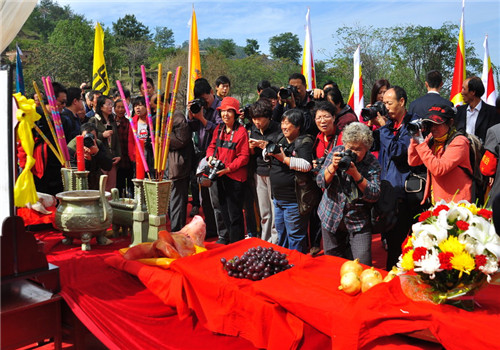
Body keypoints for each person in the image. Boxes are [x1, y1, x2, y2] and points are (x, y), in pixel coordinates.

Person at [317, 122, 381, 265]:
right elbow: (320, 182)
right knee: (332, 262)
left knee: (362, 264)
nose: (352, 153)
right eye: (349, 148)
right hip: (331, 215)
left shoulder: (372, 163)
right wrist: (332, 167)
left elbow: (374, 195)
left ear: (367, 148)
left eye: (358, 149)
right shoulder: (336, 152)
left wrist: (356, 175)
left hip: (357, 220)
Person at [373, 86, 419, 270]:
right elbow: (374, 145)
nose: (386, 107)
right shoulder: (389, 125)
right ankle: (391, 279)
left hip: (405, 193)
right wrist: (374, 127)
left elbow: (399, 152)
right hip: (388, 190)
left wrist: (383, 127)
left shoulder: (413, 125)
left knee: (405, 241)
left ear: (402, 102)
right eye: (384, 103)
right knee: (392, 243)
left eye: (389, 103)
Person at [266, 109, 313, 253]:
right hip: (278, 198)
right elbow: (266, 152)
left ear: (298, 126)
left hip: (294, 200)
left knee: (295, 236)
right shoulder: (279, 139)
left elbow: (306, 165)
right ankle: (284, 263)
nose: (284, 126)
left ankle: (297, 266)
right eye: (282, 122)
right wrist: (267, 152)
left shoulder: (304, 142)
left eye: (288, 123)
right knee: (282, 234)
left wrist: (284, 159)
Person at [206, 97, 250, 244]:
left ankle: (236, 243)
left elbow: (244, 157)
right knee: (223, 209)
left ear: (235, 114)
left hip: (235, 178)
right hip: (220, 175)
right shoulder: (219, 129)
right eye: (223, 111)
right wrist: (210, 158)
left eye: (229, 111)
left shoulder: (241, 132)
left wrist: (228, 168)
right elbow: (212, 146)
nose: (225, 114)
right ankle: (229, 240)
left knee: (235, 214)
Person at [408, 104, 472, 204]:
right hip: (437, 201)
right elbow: (413, 161)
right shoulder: (432, 139)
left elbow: (438, 169)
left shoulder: (460, 142)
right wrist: (415, 140)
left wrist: (421, 143)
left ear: (450, 122)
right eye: (430, 124)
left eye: (437, 124)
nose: (433, 128)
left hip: (457, 203)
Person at [187, 78, 222, 238]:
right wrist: (192, 116)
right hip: (201, 155)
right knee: (205, 197)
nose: (204, 102)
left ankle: (222, 230)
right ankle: (212, 228)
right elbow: (193, 128)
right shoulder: (200, 108)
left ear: (211, 93)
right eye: (200, 99)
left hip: (216, 156)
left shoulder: (221, 108)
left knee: (217, 196)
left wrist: (202, 118)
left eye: (205, 98)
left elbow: (219, 131)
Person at [309, 101, 345, 255]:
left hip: (340, 191)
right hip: (324, 191)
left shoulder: (343, 137)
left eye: (326, 117)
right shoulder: (317, 138)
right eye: (318, 118)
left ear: (334, 117)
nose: (322, 121)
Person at [249, 99, 281, 244]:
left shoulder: (278, 129)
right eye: (254, 119)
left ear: (268, 116)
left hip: (274, 172)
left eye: (259, 118)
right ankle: (265, 240)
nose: (257, 122)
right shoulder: (253, 130)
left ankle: (275, 241)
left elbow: (280, 149)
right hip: (258, 172)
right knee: (264, 210)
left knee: (275, 210)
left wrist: (265, 145)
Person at [166, 111, 194, 231]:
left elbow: (181, 141)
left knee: (177, 200)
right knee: (170, 200)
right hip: (165, 166)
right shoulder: (158, 118)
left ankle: (177, 230)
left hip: (177, 166)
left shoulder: (177, 118)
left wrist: (163, 136)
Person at [88, 95, 121, 191]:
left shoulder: (112, 121)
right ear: (101, 107)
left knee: (112, 186)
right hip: (101, 157)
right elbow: (89, 137)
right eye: (108, 104)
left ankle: (110, 205)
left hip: (112, 158)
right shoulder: (94, 120)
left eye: (112, 104)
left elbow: (116, 140)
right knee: (102, 186)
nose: (111, 107)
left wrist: (119, 155)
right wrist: (102, 135)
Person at [67, 123, 113, 190]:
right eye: (85, 137)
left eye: (92, 137)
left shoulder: (98, 144)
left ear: (96, 137)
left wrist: (97, 153)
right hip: (77, 184)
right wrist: (85, 159)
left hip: (95, 181)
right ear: (79, 136)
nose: (88, 140)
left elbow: (108, 166)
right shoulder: (72, 147)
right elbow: (74, 172)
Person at [455, 76, 499, 144]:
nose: (461, 92)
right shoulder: (458, 111)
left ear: (473, 92)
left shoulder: (493, 113)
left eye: (464, 89)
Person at [114, 99, 135, 198]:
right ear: (114, 109)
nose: (120, 109)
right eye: (118, 107)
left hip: (128, 158)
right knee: (118, 184)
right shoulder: (112, 123)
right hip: (117, 159)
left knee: (131, 185)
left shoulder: (129, 123)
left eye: (123, 107)